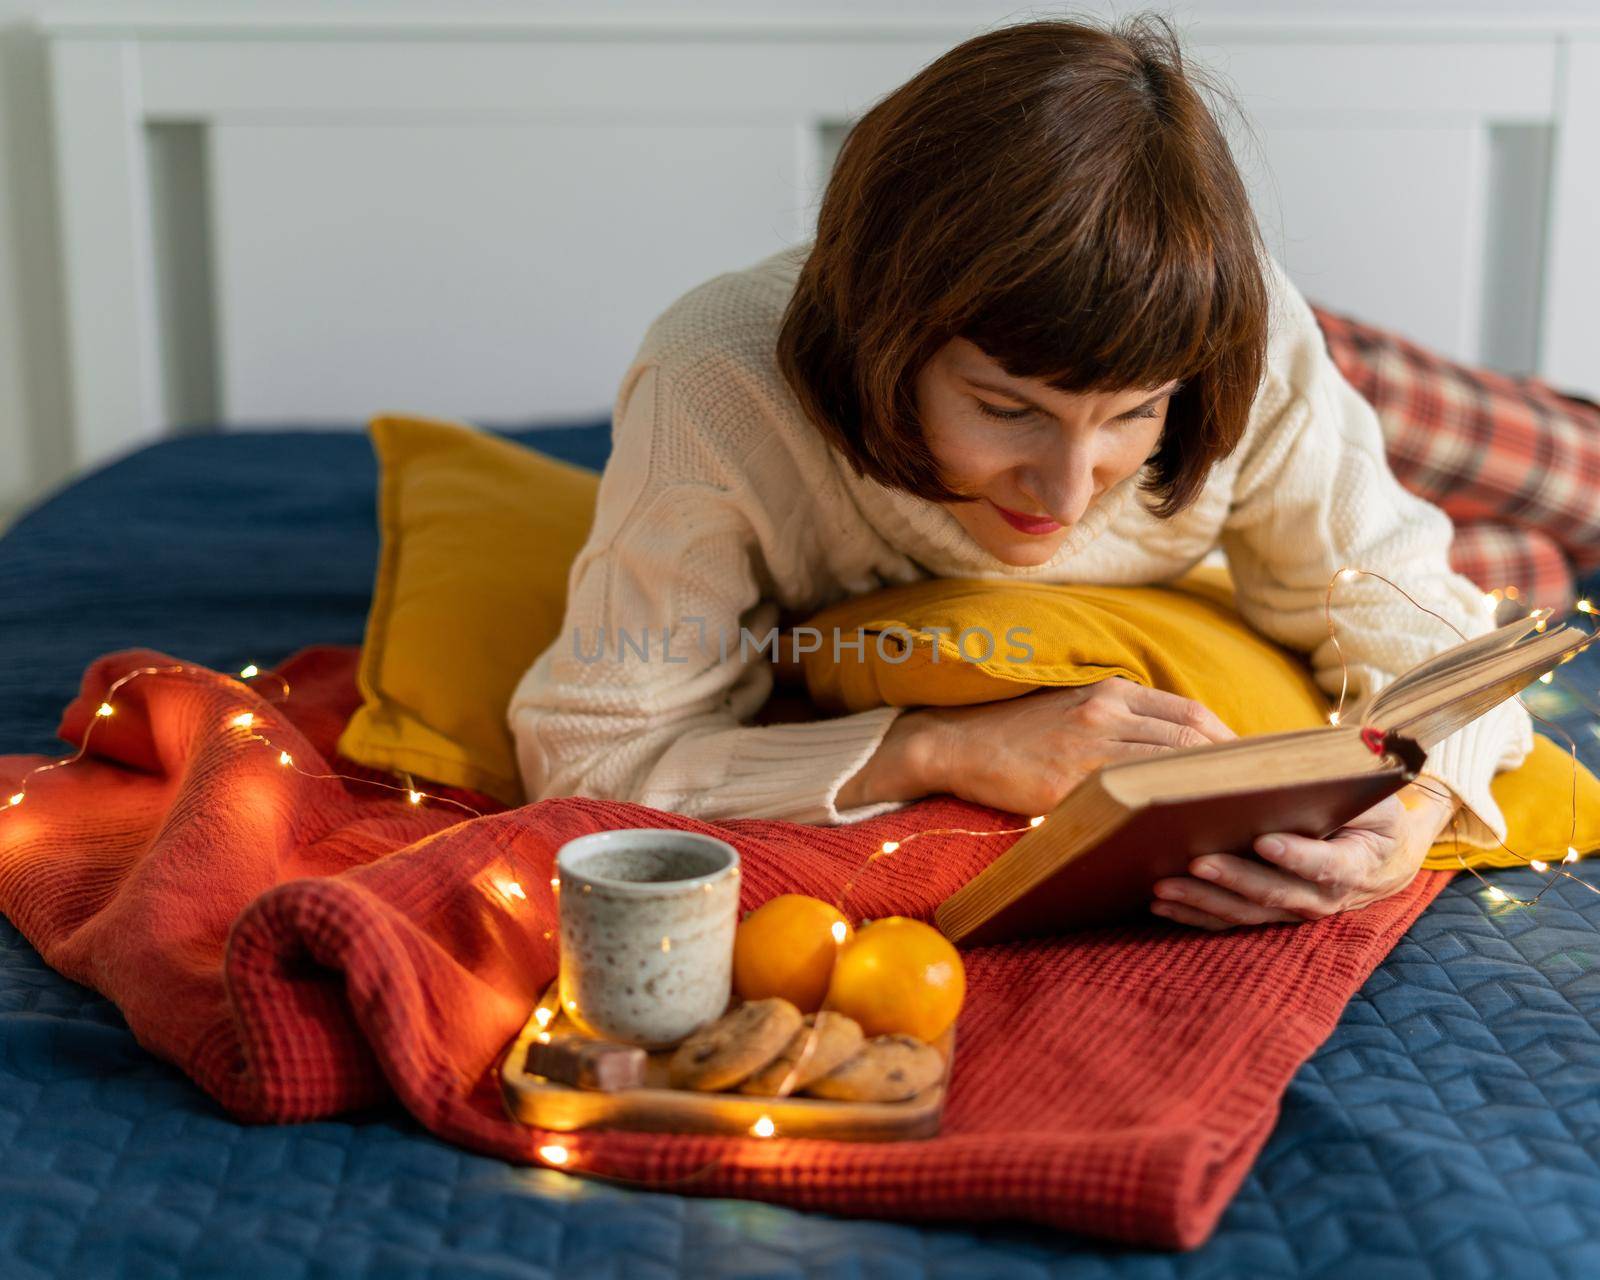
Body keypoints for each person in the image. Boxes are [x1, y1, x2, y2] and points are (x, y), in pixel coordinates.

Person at [509, 16, 1531, 931]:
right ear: (885, 337)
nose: (1070, 491)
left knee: (1544, 499)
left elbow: (1430, 626)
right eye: (1008, 411)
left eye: (1132, 414)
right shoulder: (717, 378)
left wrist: (1408, 818)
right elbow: (594, 752)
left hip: (1345, 372)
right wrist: (940, 746)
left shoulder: (1248, 350)